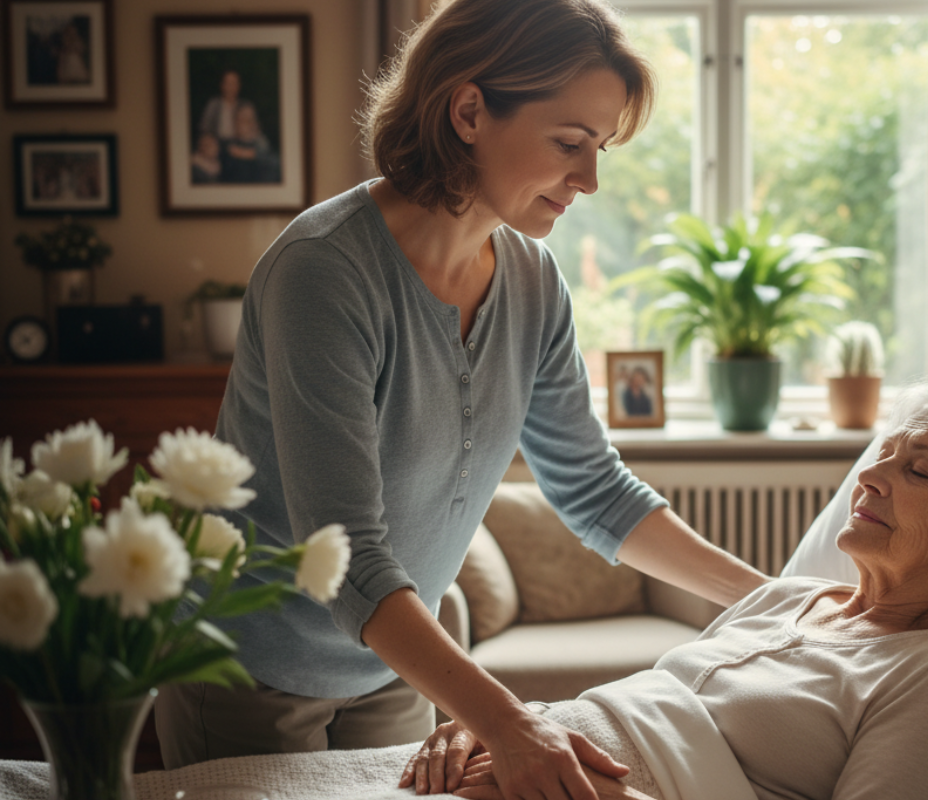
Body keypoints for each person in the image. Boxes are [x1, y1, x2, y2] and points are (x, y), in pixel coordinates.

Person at [153, 3, 769, 800]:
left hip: (397, 663)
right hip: (250, 669)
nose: (588, 180)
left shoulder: (533, 282)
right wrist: (507, 720)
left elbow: (595, 492)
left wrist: (772, 601)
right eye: (569, 143)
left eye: (600, 149)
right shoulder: (323, 271)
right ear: (470, 110)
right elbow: (346, 559)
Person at [403, 373, 928, 800]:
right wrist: (503, 722)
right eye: (883, 455)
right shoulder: (791, 597)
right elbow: (635, 713)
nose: (870, 479)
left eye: (921, 472)